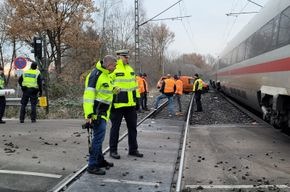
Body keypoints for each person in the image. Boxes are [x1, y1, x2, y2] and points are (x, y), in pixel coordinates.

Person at [83, 55, 117, 175]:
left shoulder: (106, 74)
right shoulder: (95, 75)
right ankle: (92, 165)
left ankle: (100, 160)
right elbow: (88, 95)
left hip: (103, 112)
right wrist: (89, 114)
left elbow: (104, 90)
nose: (116, 67)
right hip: (96, 113)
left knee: (99, 138)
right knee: (98, 139)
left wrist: (113, 90)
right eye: (114, 65)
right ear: (109, 65)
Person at [109, 49, 143, 159]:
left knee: (133, 128)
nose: (127, 58)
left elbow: (135, 87)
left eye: (128, 57)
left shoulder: (130, 69)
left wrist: (137, 100)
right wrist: (114, 96)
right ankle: (113, 151)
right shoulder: (113, 69)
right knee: (115, 128)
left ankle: (133, 149)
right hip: (117, 105)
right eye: (125, 56)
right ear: (119, 57)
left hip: (130, 105)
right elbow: (108, 85)